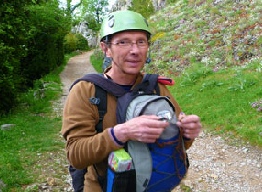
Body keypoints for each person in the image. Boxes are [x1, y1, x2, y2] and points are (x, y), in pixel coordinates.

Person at [61, 10, 202, 191]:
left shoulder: (156, 88)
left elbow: (176, 145)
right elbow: (75, 155)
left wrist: (186, 133)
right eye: (123, 42)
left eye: (141, 42)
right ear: (106, 49)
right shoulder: (86, 91)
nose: (135, 50)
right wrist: (121, 133)